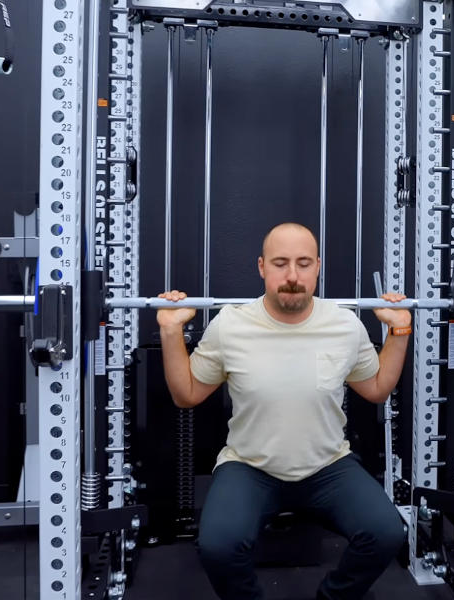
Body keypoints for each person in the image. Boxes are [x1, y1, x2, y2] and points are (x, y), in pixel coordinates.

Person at [156, 222, 413, 600]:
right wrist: (170, 332)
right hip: (250, 466)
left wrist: (399, 333)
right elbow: (187, 394)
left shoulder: (344, 324)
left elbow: (376, 389)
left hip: (327, 466)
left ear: (318, 267)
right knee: (217, 546)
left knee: (387, 531)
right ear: (262, 267)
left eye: (303, 263)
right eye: (280, 263)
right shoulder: (230, 324)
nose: (292, 276)